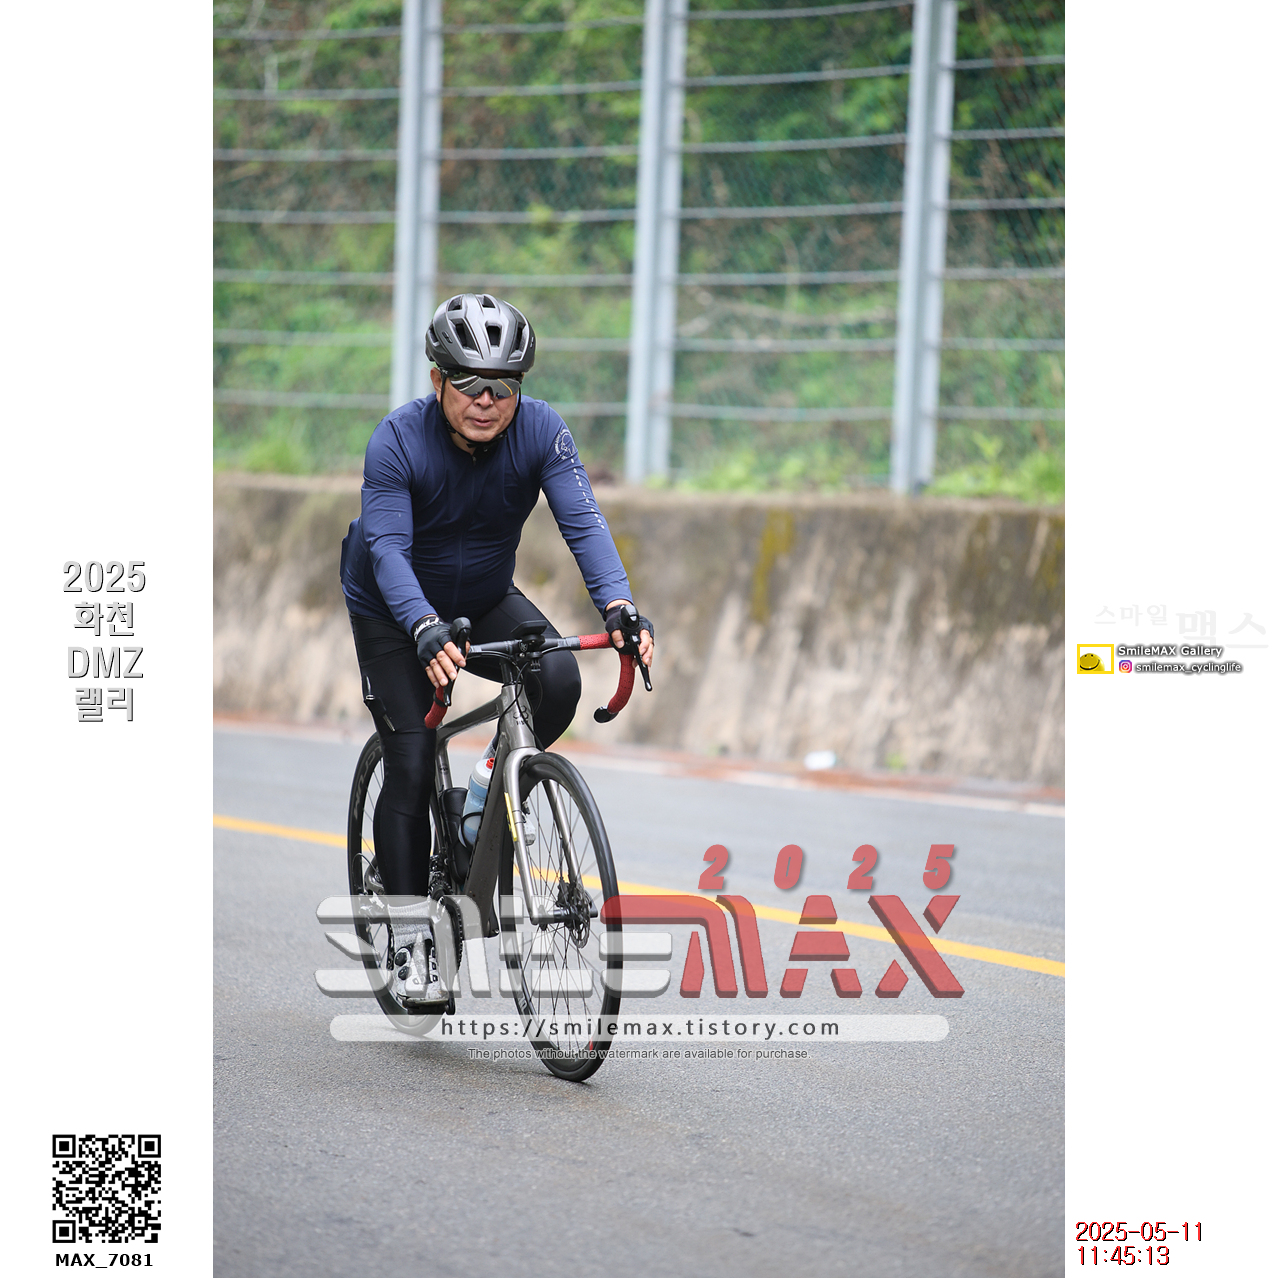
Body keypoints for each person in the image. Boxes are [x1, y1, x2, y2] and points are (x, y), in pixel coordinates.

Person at [340, 292, 654, 908]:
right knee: (411, 761)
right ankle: (408, 933)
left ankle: (483, 798)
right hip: (394, 610)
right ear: (438, 381)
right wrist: (421, 624)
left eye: (503, 386)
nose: (486, 400)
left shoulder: (542, 430)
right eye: (468, 383)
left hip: (481, 597)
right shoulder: (396, 440)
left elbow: (584, 524)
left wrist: (618, 606)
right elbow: (387, 550)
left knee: (557, 681)